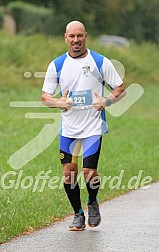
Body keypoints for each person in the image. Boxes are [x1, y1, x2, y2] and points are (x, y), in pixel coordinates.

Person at [41, 20, 125, 231]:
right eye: (72, 36)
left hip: (93, 127)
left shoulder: (100, 61)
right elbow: (45, 97)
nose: (76, 40)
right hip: (69, 129)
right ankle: (78, 213)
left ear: (85, 36)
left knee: (88, 172)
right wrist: (60, 102)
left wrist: (106, 101)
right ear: (65, 37)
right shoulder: (57, 65)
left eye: (79, 36)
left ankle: (92, 202)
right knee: (69, 173)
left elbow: (120, 89)